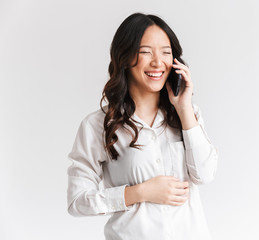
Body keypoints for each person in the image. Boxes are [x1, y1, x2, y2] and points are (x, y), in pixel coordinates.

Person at [67, 13, 218, 240]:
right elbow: (77, 201)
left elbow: (205, 174)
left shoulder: (188, 115)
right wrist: (139, 193)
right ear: (125, 57)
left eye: (166, 52)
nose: (158, 62)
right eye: (146, 51)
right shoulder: (99, 125)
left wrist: (184, 107)